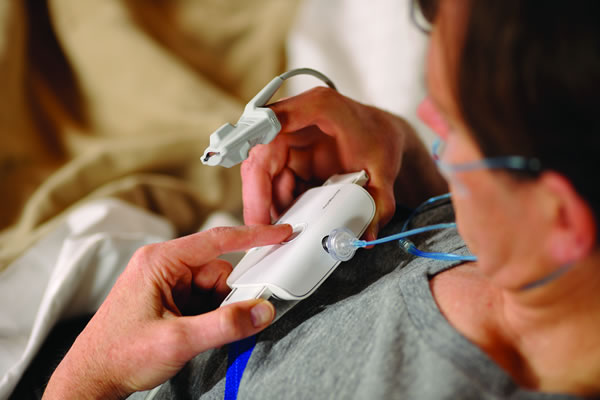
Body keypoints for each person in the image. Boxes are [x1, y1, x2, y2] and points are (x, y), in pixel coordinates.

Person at [43, 0, 600, 398]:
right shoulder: (539, 259)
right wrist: (405, 156)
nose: (425, 117)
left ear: (559, 219)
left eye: (451, 126)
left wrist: (89, 376)